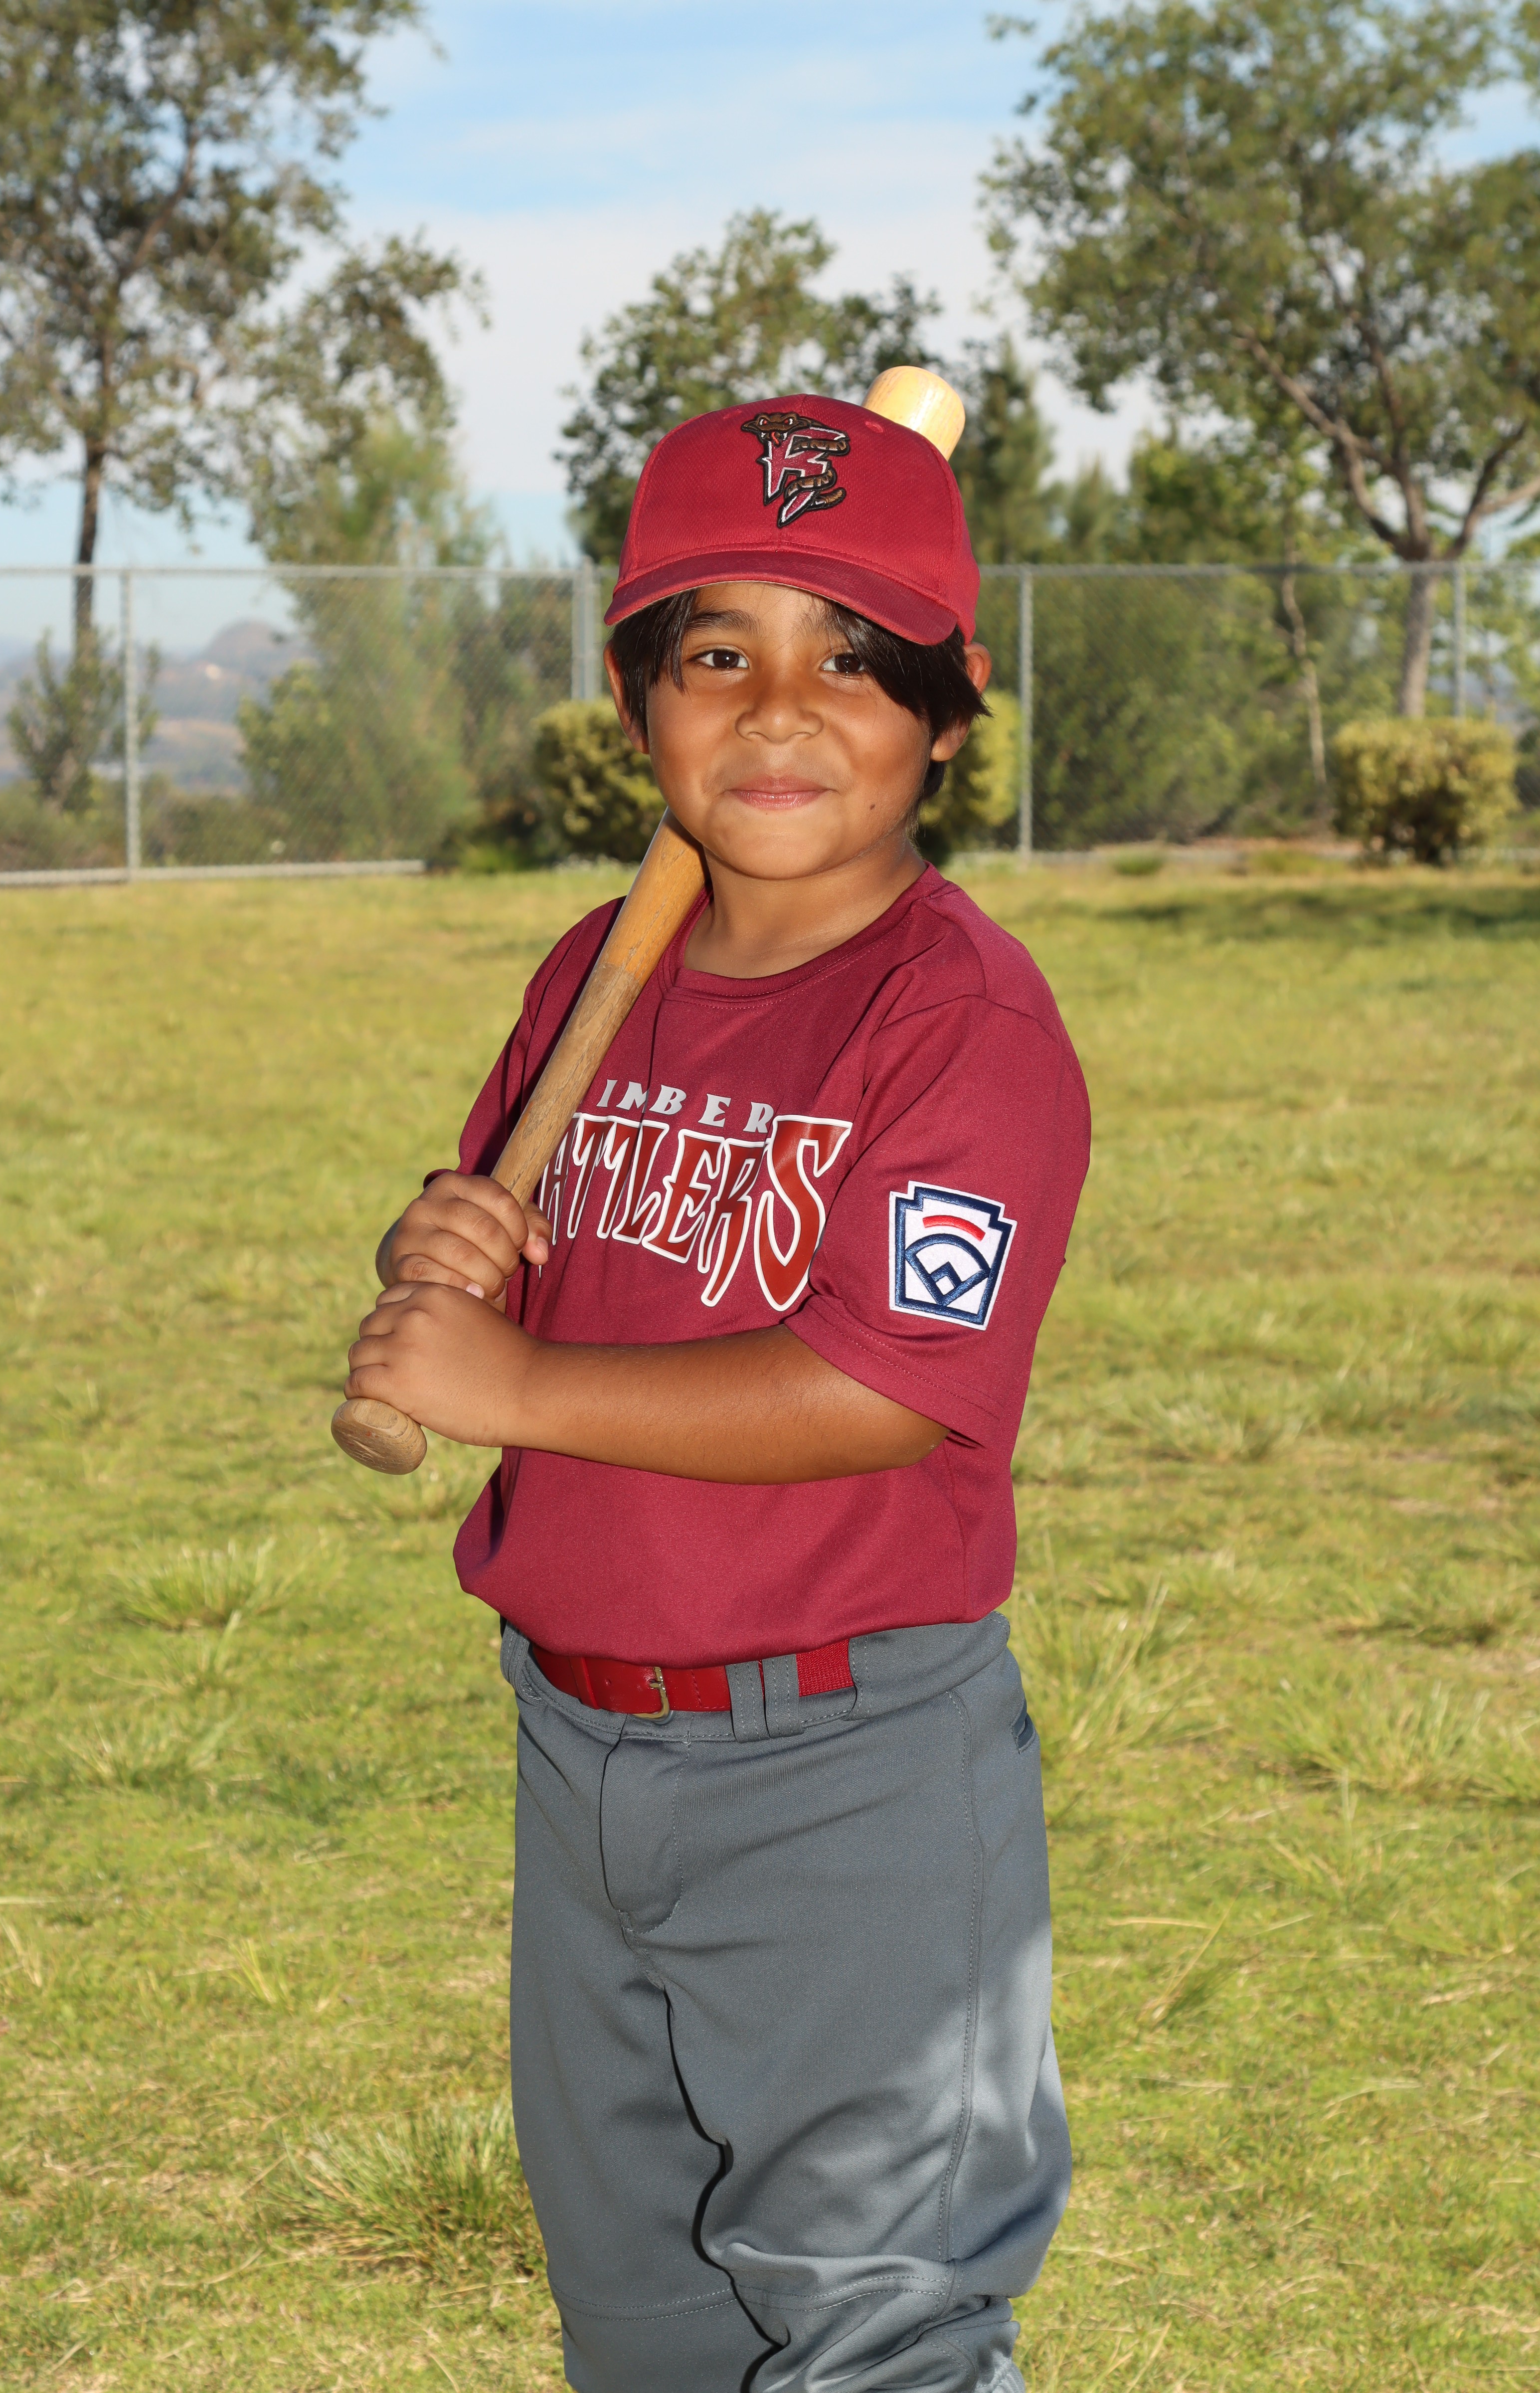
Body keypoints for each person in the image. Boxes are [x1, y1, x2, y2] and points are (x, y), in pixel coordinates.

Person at [344, 392, 1090, 2393]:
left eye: (851, 659)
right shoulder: (597, 970)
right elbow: (546, 1257)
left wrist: (516, 1377)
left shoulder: (958, 1020)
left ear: (948, 715)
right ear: (635, 702)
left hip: (847, 1764)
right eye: (716, 655)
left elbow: (880, 1383)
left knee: (874, 2326)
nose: (778, 711)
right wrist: (452, 1250)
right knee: (650, 2325)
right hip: (580, 1744)